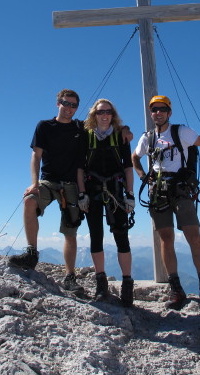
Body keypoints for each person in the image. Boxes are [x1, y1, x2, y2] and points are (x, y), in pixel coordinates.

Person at [9, 89, 132, 294]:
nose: (69, 108)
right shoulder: (44, 126)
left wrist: (125, 128)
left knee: (70, 229)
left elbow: (106, 125)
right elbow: (35, 156)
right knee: (30, 200)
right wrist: (34, 183)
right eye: (66, 103)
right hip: (48, 180)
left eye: (73, 105)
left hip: (72, 184)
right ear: (58, 103)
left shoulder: (80, 128)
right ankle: (31, 253)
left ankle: (69, 276)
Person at [131, 95, 200, 311]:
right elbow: (135, 157)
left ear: (169, 112)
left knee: (193, 237)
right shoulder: (147, 138)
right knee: (166, 239)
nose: (157, 113)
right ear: (151, 114)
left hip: (181, 190)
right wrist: (142, 176)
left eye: (162, 109)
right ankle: (176, 289)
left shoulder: (182, 132)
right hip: (158, 191)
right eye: (154, 110)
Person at [77, 99, 135, 306]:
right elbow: (80, 168)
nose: (105, 115)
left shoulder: (121, 136)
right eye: (101, 112)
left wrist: (130, 194)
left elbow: (128, 167)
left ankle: (127, 285)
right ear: (94, 114)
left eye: (108, 112)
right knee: (96, 236)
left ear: (113, 114)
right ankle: (101, 284)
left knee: (121, 235)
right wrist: (82, 193)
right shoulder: (86, 135)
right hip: (92, 190)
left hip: (117, 191)